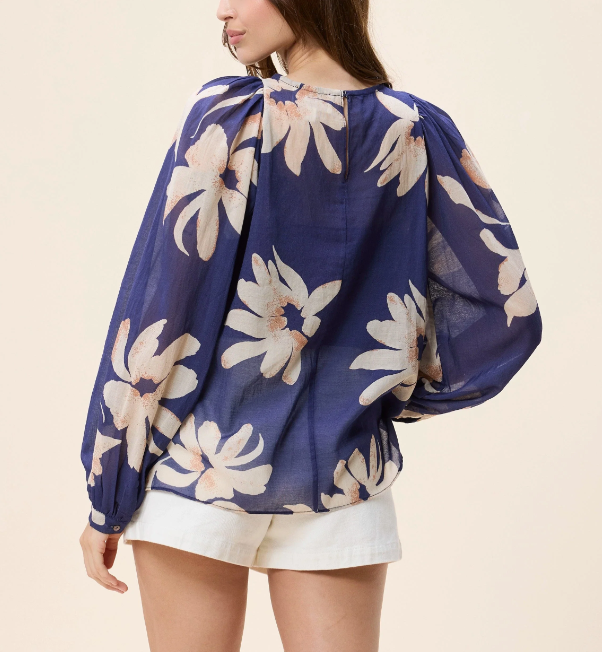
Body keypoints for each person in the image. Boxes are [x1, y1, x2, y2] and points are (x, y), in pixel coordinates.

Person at [79, 0, 543, 650]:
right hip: (342, 473)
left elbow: (162, 313)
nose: (222, 9)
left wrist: (110, 485)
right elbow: (504, 309)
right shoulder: (414, 129)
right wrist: (379, 396)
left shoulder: (229, 117)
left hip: (201, 466)